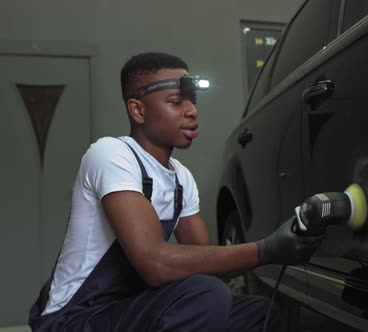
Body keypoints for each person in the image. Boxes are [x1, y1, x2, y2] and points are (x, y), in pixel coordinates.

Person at [28, 52, 324, 332]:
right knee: (205, 296)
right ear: (138, 110)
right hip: (75, 319)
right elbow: (155, 263)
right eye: (176, 101)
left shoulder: (181, 178)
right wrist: (267, 249)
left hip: (130, 310)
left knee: (257, 313)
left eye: (193, 102)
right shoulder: (111, 154)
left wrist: (287, 239)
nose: (192, 111)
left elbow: (209, 269)